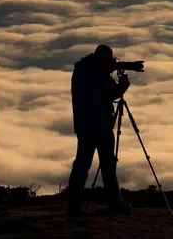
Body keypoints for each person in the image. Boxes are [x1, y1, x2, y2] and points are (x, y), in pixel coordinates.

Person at [66, 44, 136, 216]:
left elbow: (104, 92)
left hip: (86, 126)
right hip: (99, 126)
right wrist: (122, 87)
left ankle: (74, 205)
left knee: (83, 165)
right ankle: (114, 202)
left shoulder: (83, 71)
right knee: (105, 165)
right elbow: (105, 94)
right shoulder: (93, 74)